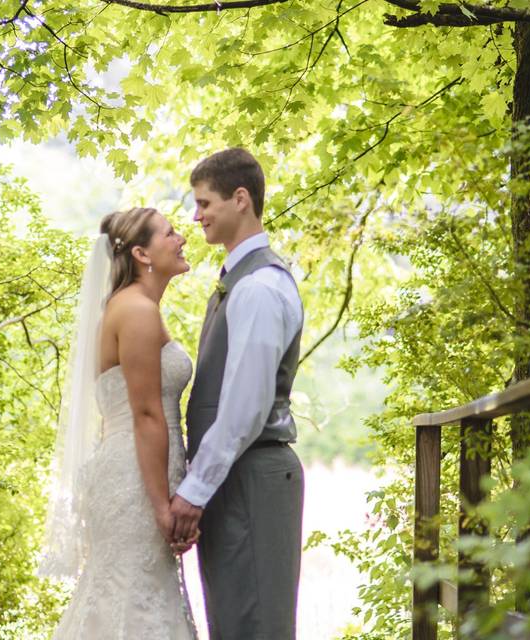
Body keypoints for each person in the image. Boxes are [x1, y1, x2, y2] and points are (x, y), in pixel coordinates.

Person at [39, 207, 199, 639]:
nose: (182, 237)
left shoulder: (134, 306)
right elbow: (147, 415)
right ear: (143, 253)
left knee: (129, 594)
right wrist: (164, 506)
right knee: (130, 596)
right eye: (171, 233)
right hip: (135, 479)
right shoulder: (136, 311)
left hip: (135, 470)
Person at [170, 148, 306, 639]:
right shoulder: (240, 282)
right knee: (232, 621)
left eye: (205, 203)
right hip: (239, 479)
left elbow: (245, 407)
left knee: (254, 625)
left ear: (241, 199)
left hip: (252, 478)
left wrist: (194, 491)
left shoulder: (259, 288)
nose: (196, 215)